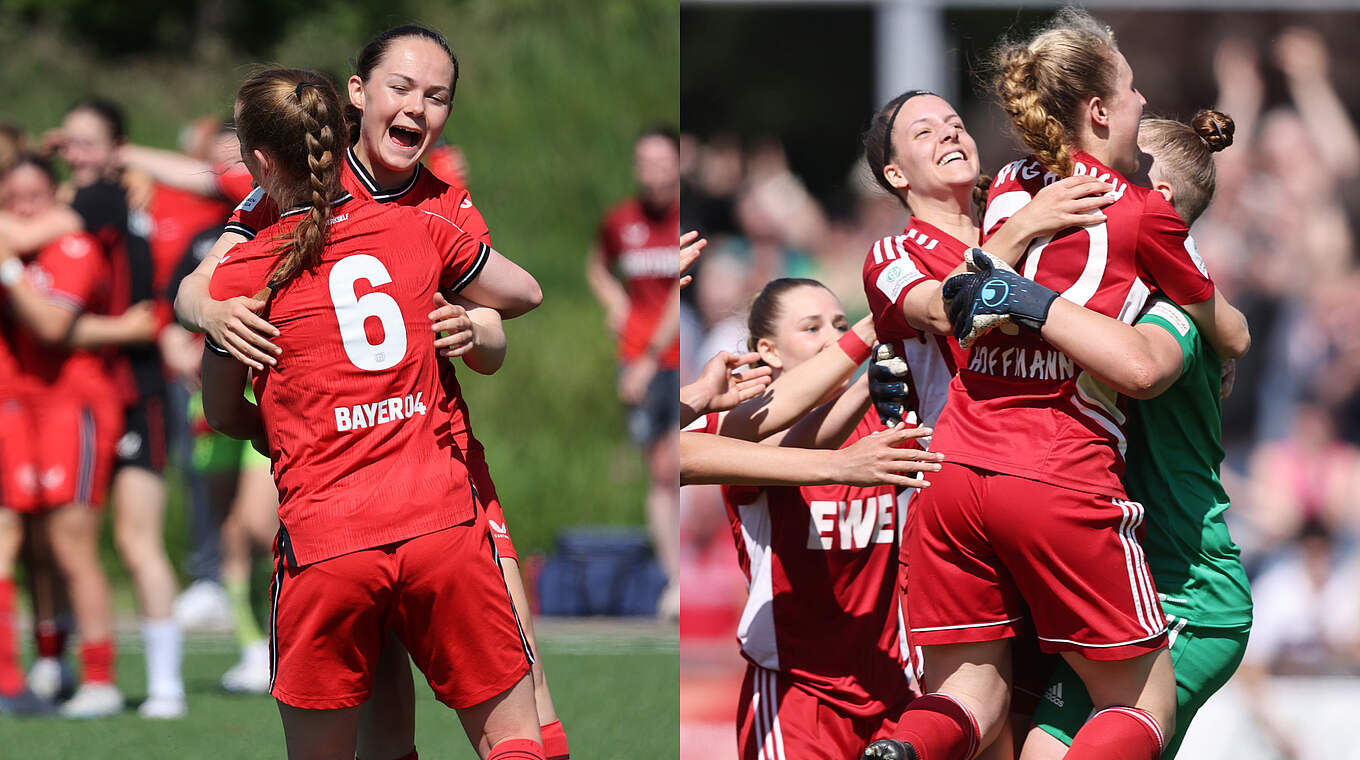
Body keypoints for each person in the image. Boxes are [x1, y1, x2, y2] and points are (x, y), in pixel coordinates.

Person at [172, 25, 569, 759]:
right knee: (425, 705)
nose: (419, 107)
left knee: (530, 683)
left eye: (438, 95)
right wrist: (213, 310)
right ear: (356, 95)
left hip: (419, 482)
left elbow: (508, 311)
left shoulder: (437, 201)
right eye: (403, 87)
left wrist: (477, 328)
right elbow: (202, 287)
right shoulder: (333, 206)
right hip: (408, 501)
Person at [864, 10, 1248, 760]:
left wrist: (1011, 275)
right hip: (1056, 481)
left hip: (956, 475)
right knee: (1141, 704)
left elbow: (969, 293)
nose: (1143, 103)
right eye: (1133, 89)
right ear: (1099, 110)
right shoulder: (1139, 215)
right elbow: (1169, 353)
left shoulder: (1006, 186)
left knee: (979, 707)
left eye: (952, 120)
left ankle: (900, 750)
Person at [949, 111, 1255, 759]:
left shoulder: (1173, 311)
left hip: (1189, 592)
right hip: (1119, 574)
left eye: (1108, 170)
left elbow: (1143, 367)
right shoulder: (1121, 289)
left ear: (1159, 200)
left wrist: (1019, 295)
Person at [689, 278, 941, 760]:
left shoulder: (887, 418)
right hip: (798, 692)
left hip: (893, 681)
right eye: (812, 327)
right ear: (769, 350)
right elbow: (790, 450)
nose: (832, 338)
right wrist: (868, 367)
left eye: (840, 324)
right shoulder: (748, 427)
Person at [0, 155, 125, 718]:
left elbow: (51, 326)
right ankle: (40, 668)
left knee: (73, 544)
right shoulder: (25, 244)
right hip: (22, 407)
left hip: (74, 406)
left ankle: (101, 678)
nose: (24, 204)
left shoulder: (72, 248)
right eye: (13, 195)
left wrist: (7, 268)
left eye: (35, 194)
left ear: (55, 197)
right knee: (30, 545)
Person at [586, 125, 683, 620]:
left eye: (663, 162)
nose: (654, 172)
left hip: (678, 359)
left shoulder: (689, 219)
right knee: (660, 470)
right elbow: (597, 266)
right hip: (640, 359)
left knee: (685, 462)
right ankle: (674, 579)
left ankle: (704, 572)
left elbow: (682, 295)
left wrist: (648, 357)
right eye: (645, 163)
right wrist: (616, 302)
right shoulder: (622, 221)